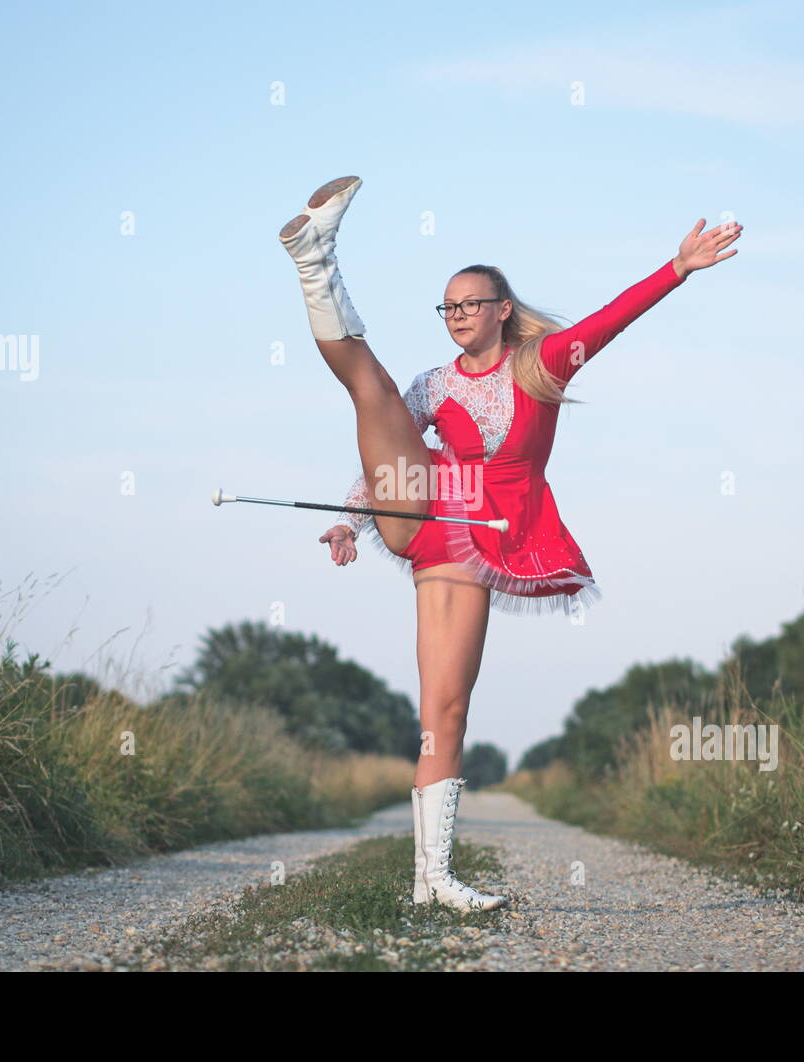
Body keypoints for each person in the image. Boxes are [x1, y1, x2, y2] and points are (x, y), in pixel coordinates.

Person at [278, 176, 741, 911]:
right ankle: (314, 260)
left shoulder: (540, 365)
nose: (457, 315)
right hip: (425, 518)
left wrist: (677, 268)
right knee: (373, 389)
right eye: (448, 306)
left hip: (475, 546)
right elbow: (390, 461)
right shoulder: (433, 385)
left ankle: (430, 878)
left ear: (501, 310)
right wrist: (351, 518)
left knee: (444, 710)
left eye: (470, 304)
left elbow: (611, 318)